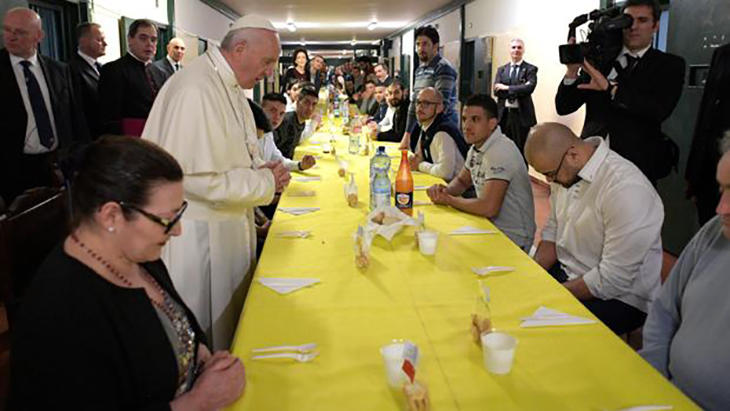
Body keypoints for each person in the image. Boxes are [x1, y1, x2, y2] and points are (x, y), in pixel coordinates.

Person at [9, 135, 246, 409]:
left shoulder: (136, 253)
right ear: (111, 216)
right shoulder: (63, 311)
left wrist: (202, 358)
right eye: (168, 219)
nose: (178, 230)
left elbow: (176, 322)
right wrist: (199, 401)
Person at [142, 15, 291, 349]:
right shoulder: (197, 88)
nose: (269, 71)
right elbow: (192, 178)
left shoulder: (229, 85)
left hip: (226, 227)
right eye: (267, 61)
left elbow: (233, 153)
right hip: (198, 238)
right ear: (239, 48)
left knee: (234, 330)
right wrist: (265, 182)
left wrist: (262, 169)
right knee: (208, 336)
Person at [525, 122, 663, 335]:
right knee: (514, 301)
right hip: (571, 272)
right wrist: (533, 274)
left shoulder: (625, 189)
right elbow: (552, 231)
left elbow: (612, 280)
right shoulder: (567, 169)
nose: (548, 180)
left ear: (573, 155)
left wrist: (552, 293)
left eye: (551, 174)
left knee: (540, 334)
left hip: (621, 298)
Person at [640, 133, 730, 410]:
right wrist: (653, 383)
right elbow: (665, 309)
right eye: (722, 189)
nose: (721, 208)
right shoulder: (715, 231)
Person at [555, 0, 685, 184]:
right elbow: (563, 107)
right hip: (590, 161)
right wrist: (572, 71)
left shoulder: (669, 65)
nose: (633, 27)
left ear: (655, 26)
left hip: (636, 166)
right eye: (628, 20)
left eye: (642, 20)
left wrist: (611, 89)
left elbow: (658, 110)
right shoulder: (600, 61)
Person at [0, 7, 89, 204]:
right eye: (7, 30)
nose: (11, 37)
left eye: (20, 32)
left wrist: (79, 159)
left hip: (57, 165)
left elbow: (76, 118)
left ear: (39, 36)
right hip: (11, 170)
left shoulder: (59, 70)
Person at [427, 95, 535, 251]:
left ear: (492, 124)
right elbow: (463, 181)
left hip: (512, 238)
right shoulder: (477, 146)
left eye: (475, 120)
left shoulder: (500, 151)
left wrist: (449, 199)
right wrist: (444, 191)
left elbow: (488, 207)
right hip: (489, 226)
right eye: (464, 119)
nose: (466, 126)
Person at [98, 19, 169, 136]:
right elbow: (110, 118)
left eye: (153, 39)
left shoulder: (158, 71)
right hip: (131, 141)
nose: (149, 44)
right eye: (143, 38)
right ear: (130, 40)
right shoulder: (114, 69)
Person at [685, 43, 730, 225]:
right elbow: (706, 113)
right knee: (710, 233)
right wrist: (693, 173)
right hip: (711, 171)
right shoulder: (723, 54)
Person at [401, 25, 458, 151]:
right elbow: (414, 103)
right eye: (418, 44)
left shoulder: (443, 68)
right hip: (425, 128)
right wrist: (407, 133)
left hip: (442, 130)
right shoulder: (419, 70)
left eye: (425, 44)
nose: (421, 48)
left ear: (436, 46)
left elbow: (442, 105)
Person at [408, 87, 468, 182]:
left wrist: (420, 165)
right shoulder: (426, 126)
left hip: (460, 191)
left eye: (426, 103)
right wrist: (416, 160)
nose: (420, 107)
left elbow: (445, 173)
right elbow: (419, 156)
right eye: (418, 102)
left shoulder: (442, 132)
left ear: (439, 108)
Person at [493, 39, 537, 155]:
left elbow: (529, 88)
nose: (516, 50)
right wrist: (520, 88)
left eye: (519, 47)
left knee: (522, 150)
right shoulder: (502, 70)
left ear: (523, 50)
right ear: (509, 50)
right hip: (504, 116)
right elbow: (497, 91)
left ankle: (521, 173)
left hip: (522, 116)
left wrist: (507, 88)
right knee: (502, 149)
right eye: (513, 47)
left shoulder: (530, 69)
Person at [257, 93, 316, 172]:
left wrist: (300, 165)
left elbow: (280, 160)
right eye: (273, 110)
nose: (277, 117)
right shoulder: (250, 134)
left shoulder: (268, 134)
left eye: (281, 114)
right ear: (261, 110)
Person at [69, 22, 106, 139]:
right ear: (83, 41)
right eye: (99, 40)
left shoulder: (102, 68)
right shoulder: (71, 69)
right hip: (89, 136)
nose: (105, 44)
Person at [274, 82, 319, 159]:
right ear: (298, 102)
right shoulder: (287, 122)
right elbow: (272, 152)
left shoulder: (301, 122)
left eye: (314, 104)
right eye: (306, 103)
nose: (310, 108)